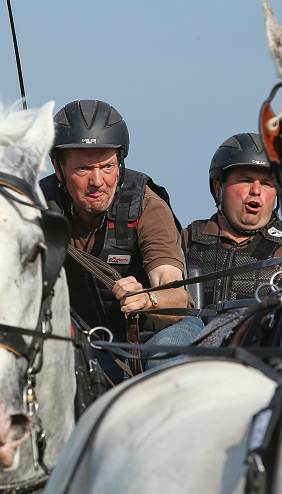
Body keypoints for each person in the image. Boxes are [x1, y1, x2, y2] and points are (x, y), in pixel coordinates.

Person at [40, 99, 202, 381]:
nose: (98, 181)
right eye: (83, 169)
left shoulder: (146, 205)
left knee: (168, 370)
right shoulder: (34, 209)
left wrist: (146, 299)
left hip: (161, 333)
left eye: (107, 166)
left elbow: (176, 295)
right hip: (85, 343)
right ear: (58, 168)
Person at [183, 132, 282, 308]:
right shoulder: (185, 240)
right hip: (193, 335)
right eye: (245, 180)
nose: (256, 190)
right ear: (218, 188)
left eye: (267, 183)